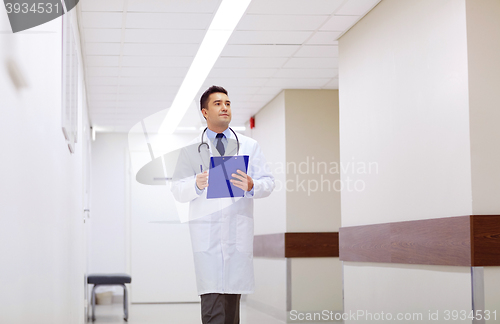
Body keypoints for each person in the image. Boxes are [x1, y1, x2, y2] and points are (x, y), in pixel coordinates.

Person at [171, 85, 275, 324]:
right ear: (204, 112)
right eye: (218, 103)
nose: (225, 107)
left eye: (227, 103)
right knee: (212, 307)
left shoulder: (249, 146)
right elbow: (177, 188)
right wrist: (195, 183)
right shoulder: (190, 150)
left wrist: (252, 185)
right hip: (207, 238)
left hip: (236, 237)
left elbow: (268, 183)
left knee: (231, 311)